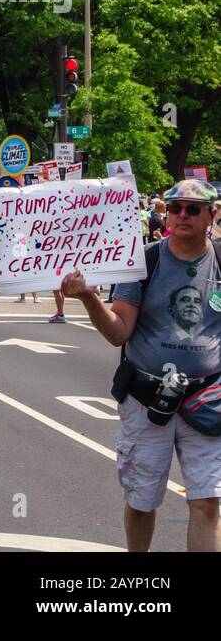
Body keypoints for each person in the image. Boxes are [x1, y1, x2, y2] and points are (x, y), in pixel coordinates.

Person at [60, 179, 221, 552]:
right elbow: (119, 333)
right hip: (147, 399)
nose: (182, 215)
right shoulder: (142, 261)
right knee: (142, 501)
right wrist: (87, 297)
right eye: (175, 207)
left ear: (211, 214)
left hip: (208, 401)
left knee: (208, 502)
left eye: (193, 209)